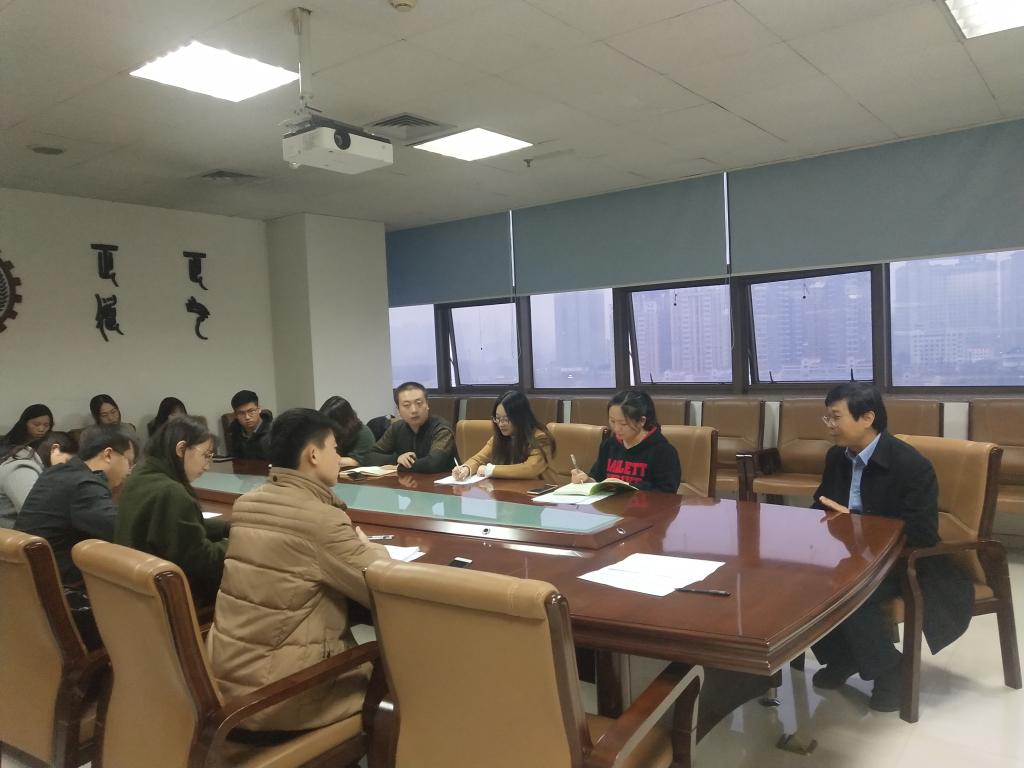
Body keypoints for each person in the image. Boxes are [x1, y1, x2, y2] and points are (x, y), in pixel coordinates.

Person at [207, 409, 390, 736]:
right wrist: (376, 551)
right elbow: (381, 589)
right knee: (401, 685)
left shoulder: (247, 504)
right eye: (335, 449)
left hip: (225, 688)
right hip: (280, 699)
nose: (339, 458)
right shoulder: (320, 520)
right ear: (314, 454)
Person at [809, 383, 973, 712]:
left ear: (867, 418)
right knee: (803, 582)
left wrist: (857, 522)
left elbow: (921, 533)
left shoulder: (911, 465)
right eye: (827, 418)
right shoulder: (837, 457)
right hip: (852, 555)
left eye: (836, 417)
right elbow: (823, 503)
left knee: (851, 592)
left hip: (902, 561)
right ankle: (843, 657)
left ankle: (890, 670)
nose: (830, 426)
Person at [116, 416, 227, 607]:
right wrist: (238, 543)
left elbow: (173, 527)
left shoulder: (140, 476)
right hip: (175, 599)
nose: (207, 466)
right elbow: (204, 561)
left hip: (137, 591)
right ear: (181, 449)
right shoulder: (171, 491)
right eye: (206, 455)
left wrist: (226, 527)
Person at [16, 425, 137, 585]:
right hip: (59, 586)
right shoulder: (84, 485)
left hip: (25, 579)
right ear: (108, 454)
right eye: (129, 462)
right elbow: (121, 533)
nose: (128, 471)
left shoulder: (57, 473)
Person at [571, 389, 681, 493]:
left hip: (645, 506)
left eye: (623, 424)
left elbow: (666, 493)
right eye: (612, 421)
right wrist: (587, 481)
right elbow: (598, 478)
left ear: (642, 421)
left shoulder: (663, 451)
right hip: (610, 506)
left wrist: (628, 487)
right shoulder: (609, 445)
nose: (616, 428)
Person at [452, 390, 558, 483]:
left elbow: (530, 469)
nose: (501, 424)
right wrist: (466, 469)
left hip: (540, 493)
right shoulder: (499, 437)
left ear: (520, 418)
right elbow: (479, 459)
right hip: (511, 491)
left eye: (506, 419)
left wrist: (490, 470)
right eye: (497, 418)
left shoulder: (540, 438)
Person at [363, 382, 455, 473]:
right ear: (398, 410)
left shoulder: (441, 428)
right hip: (406, 481)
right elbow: (368, 457)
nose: (414, 410)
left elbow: (433, 463)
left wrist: (400, 467)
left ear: (427, 404)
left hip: (440, 481)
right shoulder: (396, 428)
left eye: (419, 403)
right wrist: (397, 459)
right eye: (406, 405)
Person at [0, 431, 77, 529]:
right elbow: (35, 515)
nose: (67, 467)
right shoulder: (21, 469)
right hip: (13, 534)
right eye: (67, 461)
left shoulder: (35, 465)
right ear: (55, 449)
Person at [319, 395, 375, 471]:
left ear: (343, 421)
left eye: (331, 424)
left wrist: (323, 459)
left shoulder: (363, 433)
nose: (327, 427)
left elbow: (357, 461)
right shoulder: (326, 431)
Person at [225, 389, 272, 461]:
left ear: (259, 409)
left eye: (251, 411)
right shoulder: (234, 432)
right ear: (235, 415)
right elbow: (235, 459)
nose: (247, 417)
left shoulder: (274, 431)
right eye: (241, 413)